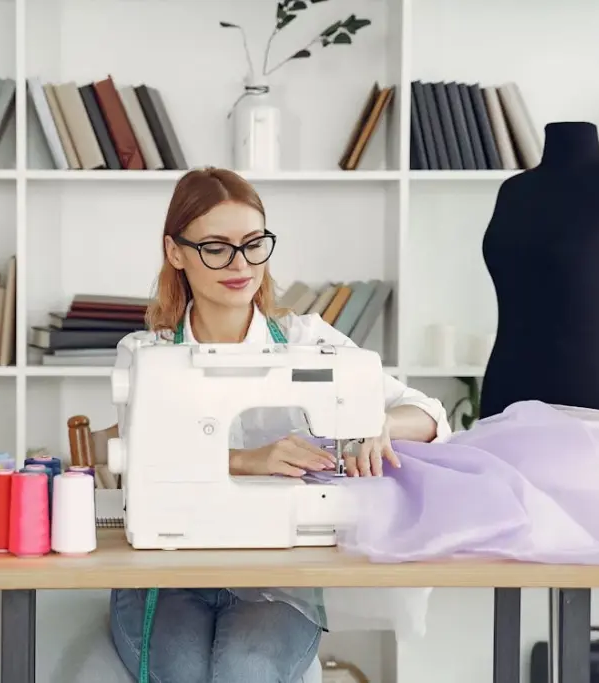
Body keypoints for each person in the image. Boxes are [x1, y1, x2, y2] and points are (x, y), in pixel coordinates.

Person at [104, 167, 451, 683]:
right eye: (216, 247)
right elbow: (146, 458)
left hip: (280, 573)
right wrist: (249, 459)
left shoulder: (307, 339)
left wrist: (378, 423)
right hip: (167, 572)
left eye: (252, 244)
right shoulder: (146, 353)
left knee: (245, 671)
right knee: (182, 674)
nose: (240, 264)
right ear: (176, 252)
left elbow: (429, 414)